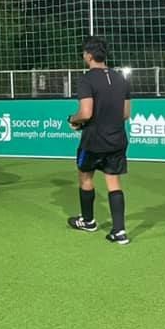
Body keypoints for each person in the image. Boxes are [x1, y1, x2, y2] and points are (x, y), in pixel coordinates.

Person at [66, 37, 131, 245]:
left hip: (93, 141)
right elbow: (125, 114)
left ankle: (88, 221)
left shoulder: (87, 80)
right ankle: (119, 232)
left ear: (90, 55)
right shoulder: (121, 79)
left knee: (85, 177)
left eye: (84, 53)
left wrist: (72, 120)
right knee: (113, 181)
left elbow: (85, 113)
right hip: (117, 139)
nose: (84, 56)